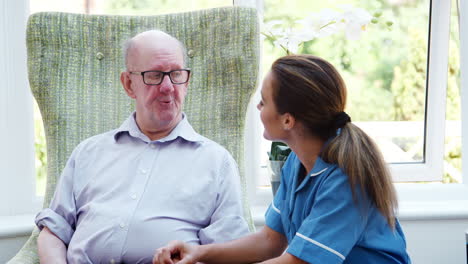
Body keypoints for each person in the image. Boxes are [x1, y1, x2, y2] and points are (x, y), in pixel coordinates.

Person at [153, 54, 411, 264]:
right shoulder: (295, 164)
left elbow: (295, 263)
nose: (258, 108)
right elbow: (270, 240)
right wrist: (199, 253)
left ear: (288, 120)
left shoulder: (345, 180)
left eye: (264, 102)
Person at [35, 30, 250, 264]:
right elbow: (54, 230)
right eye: (155, 75)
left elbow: (228, 251)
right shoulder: (88, 152)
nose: (168, 87)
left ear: (186, 81)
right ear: (128, 84)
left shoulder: (217, 162)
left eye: (176, 74)